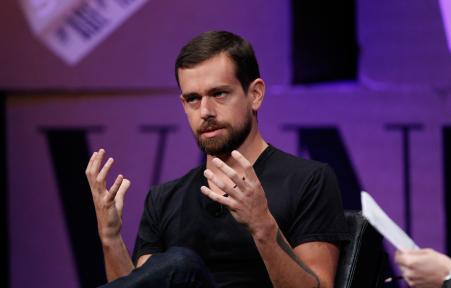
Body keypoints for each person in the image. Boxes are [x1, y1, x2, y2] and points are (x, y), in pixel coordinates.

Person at [85, 31, 350, 288]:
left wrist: (263, 227)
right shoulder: (164, 199)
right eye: (193, 99)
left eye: (219, 94)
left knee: (181, 263)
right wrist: (110, 237)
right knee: (177, 266)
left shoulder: (308, 180)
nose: (205, 111)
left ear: (255, 94)